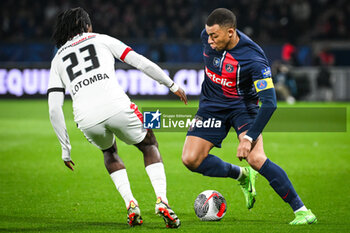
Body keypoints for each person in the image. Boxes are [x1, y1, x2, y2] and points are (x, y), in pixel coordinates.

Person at [48, 7, 187, 228]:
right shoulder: (101, 39)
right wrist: (171, 84)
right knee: (149, 143)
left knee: (109, 151)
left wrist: (65, 149)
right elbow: (140, 62)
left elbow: (54, 108)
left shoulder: (58, 59)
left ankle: (131, 204)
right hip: (116, 106)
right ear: (86, 26)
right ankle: (162, 201)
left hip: (86, 118)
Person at [181, 8, 317, 225]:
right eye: (208, 35)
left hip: (243, 107)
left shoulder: (254, 59)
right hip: (211, 106)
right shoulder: (208, 38)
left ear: (231, 32)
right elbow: (208, 39)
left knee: (256, 158)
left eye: (214, 36)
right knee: (190, 159)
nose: (209, 40)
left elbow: (270, 103)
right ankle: (241, 175)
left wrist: (248, 137)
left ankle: (301, 210)